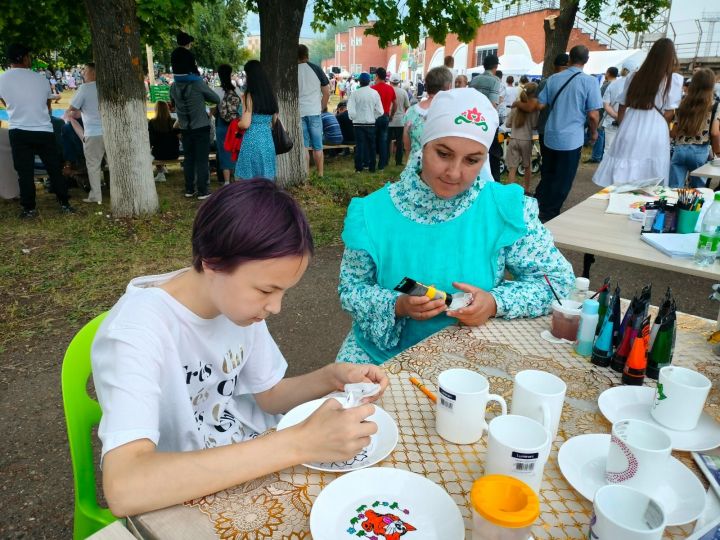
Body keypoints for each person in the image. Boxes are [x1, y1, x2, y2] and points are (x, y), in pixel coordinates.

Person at [92, 180, 389, 516]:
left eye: (283, 292)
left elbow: (270, 394)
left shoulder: (236, 307)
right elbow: (126, 487)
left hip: (256, 456)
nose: (275, 307)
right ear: (212, 261)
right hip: (184, 494)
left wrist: (330, 377)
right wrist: (299, 443)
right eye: (266, 290)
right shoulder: (136, 332)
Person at [336, 88, 574, 364]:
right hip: (379, 357)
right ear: (424, 144)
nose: (454, 173)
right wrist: (397, 305)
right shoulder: (372, 213)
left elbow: (556, 282)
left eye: (472, 160)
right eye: (444, 153)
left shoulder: (504, 208)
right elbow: (351, 289)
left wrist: (494, 303)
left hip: (470, 357)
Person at [593, 38, 683, 188]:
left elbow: (622, 105)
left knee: (625, 165)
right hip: (656, 127)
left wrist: (624, 125)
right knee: (651, 170)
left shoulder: (634, 76)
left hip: (631, 122)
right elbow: (669, 112)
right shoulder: (674, 80)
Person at [0, 43, 73, 218]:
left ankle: (29, 208)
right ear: (25, 58)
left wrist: (13, 107)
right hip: (43, 129)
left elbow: (4, 101)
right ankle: (64, 203)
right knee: (54, 168)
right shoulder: (41, 79)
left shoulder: (2, 79)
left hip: (19, 130)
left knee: (24, 172)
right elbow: (47, 108)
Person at [536, 45, 602, 222]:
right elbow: (593, 115)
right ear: (586, 60)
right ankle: (549, 215)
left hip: (550, 134)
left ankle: (539, 208)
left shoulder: (553, 79)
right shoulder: (590, 82)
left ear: (569, 59)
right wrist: (594, 133)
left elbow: (540, 104)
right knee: (563, 180)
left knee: (548, 175)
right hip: (571, 139)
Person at [170, 57, 220, 199]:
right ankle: (203, 190)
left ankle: (189, 189)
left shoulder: (173, 86)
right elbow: (216, 99)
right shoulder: (198, 83)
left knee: (189, 159)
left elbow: (172, 102)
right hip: (201, 127)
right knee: (202, 160)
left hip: (185, 127)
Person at [670, 68, 720, 188]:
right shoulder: (715, 105)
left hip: (680, 149)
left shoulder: (682, 103)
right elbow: (714, 132)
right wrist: (718, 152)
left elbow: (674, 132)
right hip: (700, 151)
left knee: (674, 188)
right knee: (698, 191)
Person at [235, 60, 279, 181]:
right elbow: (275, 120)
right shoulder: (270, 94)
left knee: (250, 181)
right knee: (266, 179)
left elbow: (245, 123)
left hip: (252, 142)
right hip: (268, 141)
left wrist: (237, 124)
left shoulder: (249, 96)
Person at [68, 63, 105, 204]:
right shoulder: (106, 87)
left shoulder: (85, 88)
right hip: (109, 132)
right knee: (113, 165)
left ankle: (96, 195)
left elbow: (72, 108)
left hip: (93, 133)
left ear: (93, 73)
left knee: (93, 166)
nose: (83, 74)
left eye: (85, 71)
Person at [403, 66, 453, 157]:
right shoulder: (450, 111)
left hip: (415, 165)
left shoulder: (411, 111)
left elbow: (407, 143)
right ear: (449, 87)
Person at [469, 54, 504, 181]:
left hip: (472, 119)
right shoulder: (495, 80)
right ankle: (493, 180)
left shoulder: (475, 80)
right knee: (492, 154)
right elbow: (492, 105)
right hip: (486, 122)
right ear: (495, 66)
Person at [298, 44, 330, 177]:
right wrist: (322, 106)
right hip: (315, 111)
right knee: (318, 146)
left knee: (304, 146)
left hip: (299, 112)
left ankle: (305, 174)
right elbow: (327, 92)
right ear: (307, 54)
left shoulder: (291, 70)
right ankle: (320, 174)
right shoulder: (316, 69)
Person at [506, 82, 539, 194]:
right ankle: (526, 189)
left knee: (512, 168)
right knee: (527, 167)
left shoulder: (515, 107)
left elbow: (507, 124)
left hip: (514, 139)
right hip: (526, 140)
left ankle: (510, 191)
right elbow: (535, 125)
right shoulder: (534, 110)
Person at [348, 72, 383, 172]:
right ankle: (372, 167)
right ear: (369, 81)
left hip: (358, 123)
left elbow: (351, 109)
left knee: (359, 146)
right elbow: (380, 111)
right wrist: (373, 117)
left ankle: (359, 168)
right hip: (370, 123)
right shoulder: (374, 93)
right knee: (372, 146)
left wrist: (354, 118)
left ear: (359, 82)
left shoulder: (355, 93)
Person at [585, 67, 618, 164]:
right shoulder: (619, 85)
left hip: (604, 113)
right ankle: (598, 156)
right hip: (613, 114)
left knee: (600, 135)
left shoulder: (607, 86)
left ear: (608, 73)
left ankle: (596, 156)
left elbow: (598, 101)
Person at [214, 64, 241, 185]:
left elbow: (213, 111)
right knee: (234, 149)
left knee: (224, 151)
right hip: (235, 125)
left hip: (221, 124)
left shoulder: (216, 91)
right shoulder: (237, 90)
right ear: (230, 74)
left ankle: (226, 181)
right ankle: (234, 178)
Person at [371, 68, 396, 170]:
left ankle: (371, 163)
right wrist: (392, 115)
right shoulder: (390, 88)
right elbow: (395, 104)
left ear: (377, 76)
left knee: (372, 140)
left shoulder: (373, 88)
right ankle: (382, 165)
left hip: (374, 117)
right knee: (383, 141)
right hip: (385, 116)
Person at [148, 101, 180, 182]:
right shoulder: (173, 120)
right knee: (164, 147)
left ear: (156, 110)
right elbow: (179, 136)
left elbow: (151, 140)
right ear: (167, 109)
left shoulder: (152, 122)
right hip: (174, 153)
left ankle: (161, 173)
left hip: (159, 154)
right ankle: (163, 168)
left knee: (153, 151)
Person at [388, 73, 410, 166]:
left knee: (387, 141)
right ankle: (398, 161)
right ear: (399, 82)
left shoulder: (388, 90)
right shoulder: (403, 92)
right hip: (400, 120)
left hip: (389, 120)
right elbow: (407, 106)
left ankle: (386, 160)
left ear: (390, 82)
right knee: (399, 142)